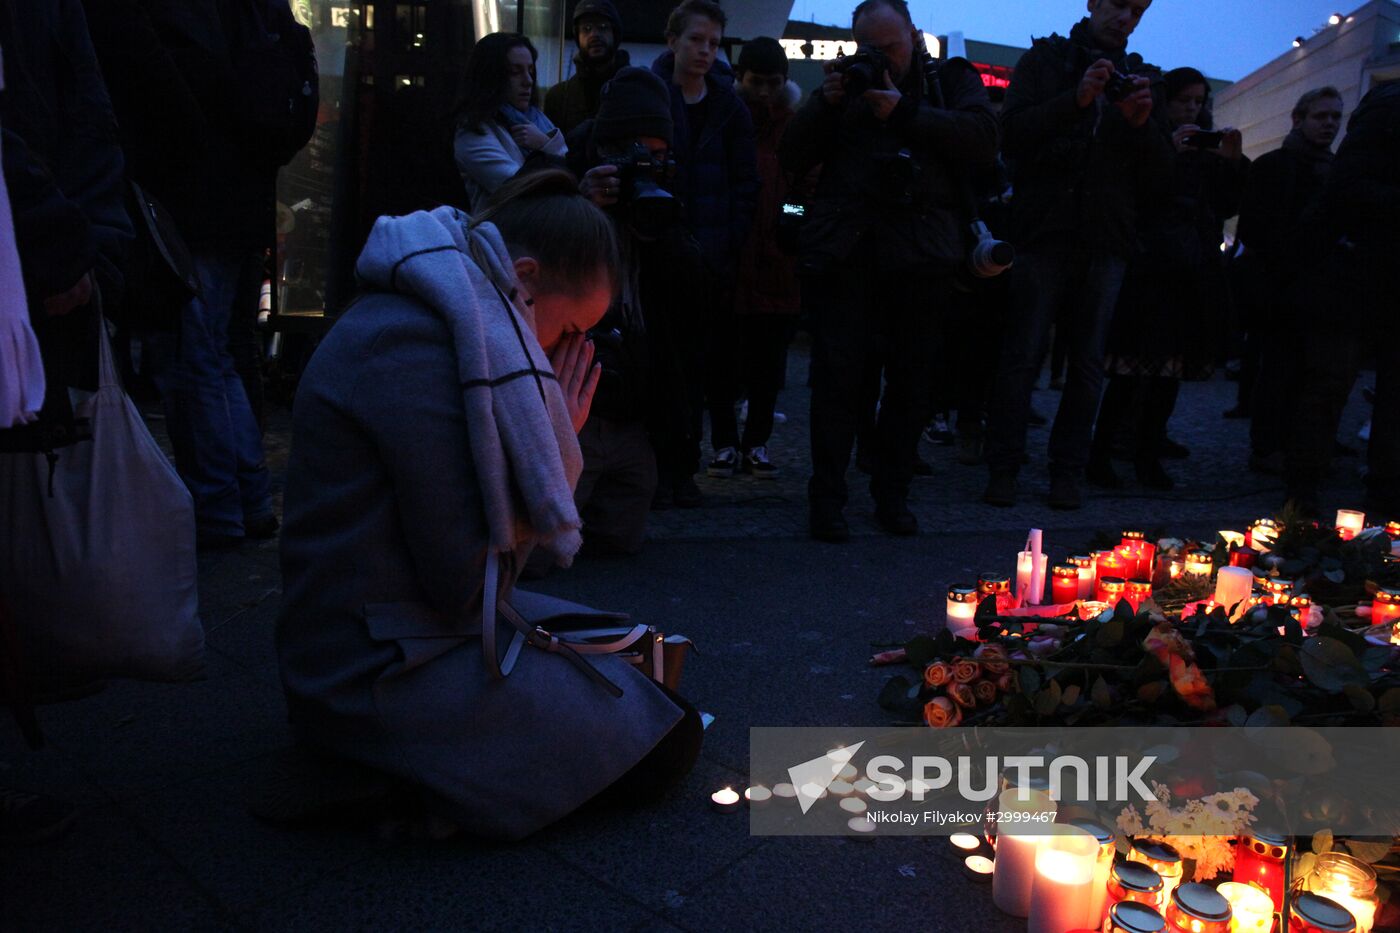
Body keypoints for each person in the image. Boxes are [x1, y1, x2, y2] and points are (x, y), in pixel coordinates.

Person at [275, 171, 700, 841]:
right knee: (667, 744)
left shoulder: (449, 315)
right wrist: (558, 446)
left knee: (637, 660)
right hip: (370, 665)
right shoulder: (420, 347)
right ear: (522, 276)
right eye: (567, 330)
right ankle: (403, 787)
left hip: (400, 623)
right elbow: (465, 584)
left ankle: (430, 770)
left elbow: (486, 576)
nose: (564, 352)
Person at [780, 0, 997, 540]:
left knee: (911, 385)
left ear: (913, 36)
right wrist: (824, 107)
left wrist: (903, 111)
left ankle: (892, 495)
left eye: (891, 47)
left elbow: (982, 140)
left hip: (922, 260)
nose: (881, 59)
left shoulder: (948, 79)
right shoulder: (844, 86)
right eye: (869, 47)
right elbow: (791, 156)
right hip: (850, 257)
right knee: (837, 383)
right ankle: (827, 499)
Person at [982, 0, 1172, 510]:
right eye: (1117, 4)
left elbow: (1161, 178)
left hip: (1105, 239)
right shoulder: (1046, 60)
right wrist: (1078, 98)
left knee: (1086, 365)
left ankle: (1065, 471)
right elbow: (1011, 133)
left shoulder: (1143, 78)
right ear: (1092, 3)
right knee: (1022, 356)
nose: (1124, 17)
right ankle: (1004, 466)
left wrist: (1140, 125)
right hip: (1045, 231)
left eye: (1136, 10)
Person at [1089, 67, 1247, 491]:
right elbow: (1139, 195)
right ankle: (1101, 453)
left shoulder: (1207, 153)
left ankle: (1147, 453)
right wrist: (1168, 156)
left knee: (1169, 372)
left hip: (1191, 271)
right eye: (1184, 101)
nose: (1192, 109)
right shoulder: (1149, 136)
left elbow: (1227, 205)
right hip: (1150, 269)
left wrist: (1231, 164)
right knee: (1129, 370)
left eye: (1198, 102)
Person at [563, 66, 698, 552]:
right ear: (606, 149)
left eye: (658, 156)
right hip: (568, 390)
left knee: (621, 537)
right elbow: (514, 253)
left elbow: (696, 283)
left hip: (633, 398)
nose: (647, 166)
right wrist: (578, 209)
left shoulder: (666, 185)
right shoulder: (561, 171)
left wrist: (659, 229)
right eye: (636, 155)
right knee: (540, 554)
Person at [649, 0, 758, 494]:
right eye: (696, 40)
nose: (705, 51)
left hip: (709, 258)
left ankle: (682, 466)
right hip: (657, 252)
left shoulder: (728, 107)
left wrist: (728, 241)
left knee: (696, 365)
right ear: (673, 41)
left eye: (712, 43)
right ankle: (654, 465)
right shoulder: (650, 95)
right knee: (656, 361)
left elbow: (745, 182)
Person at [1284, 81, 1400, 518]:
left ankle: (1383, 493)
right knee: (1329, 383)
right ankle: (1304, 488)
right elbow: (1348, 189)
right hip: (1357, 272)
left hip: (1374, 271)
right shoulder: (1388, 109)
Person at [1232, 87, 1343, 475]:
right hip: (1283, 289)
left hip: (1319, 289)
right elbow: (1256, 229)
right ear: (1299, 119)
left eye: (1335, 117)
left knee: (1310, 372)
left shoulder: (1334, 169)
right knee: (1279, 369)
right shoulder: (1276, 165)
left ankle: (1298, 442)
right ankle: (1268, 446)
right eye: (1321, 116)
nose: (1329, 123)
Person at [720, 36, 806, 480]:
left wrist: (788, 223)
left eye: (773, 83)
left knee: (766, 363)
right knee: (732, 359)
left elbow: (802, 187)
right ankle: (734, 444)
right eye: (758, 83)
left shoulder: (789, 127)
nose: (766, 92)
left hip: (771, 257)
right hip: (743, 254)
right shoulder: (733, 120)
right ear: (741, 79)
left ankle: (748, 443)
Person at [453, 32, 567, 213]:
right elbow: (520, 188)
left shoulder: (535, 119)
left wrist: (544, 143)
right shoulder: (473, 133)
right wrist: (548, 148)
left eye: (530, 71)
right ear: (490, 76)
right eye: (515, 72)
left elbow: (569, 171)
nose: (528, 81)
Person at [543, 0, 629, 138]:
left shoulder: (636, 89)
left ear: (615, 33)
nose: (594, 34)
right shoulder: (558, 98)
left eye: (602, 27)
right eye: (586, 28)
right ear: (577, 36)